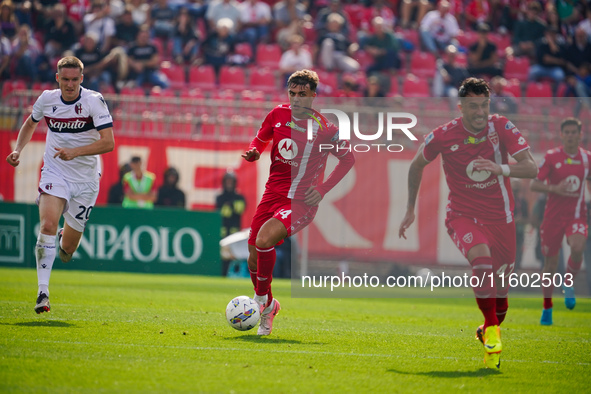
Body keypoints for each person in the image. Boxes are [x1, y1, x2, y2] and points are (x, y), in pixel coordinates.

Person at [398, 77, 538, 369]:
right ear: (460, 107)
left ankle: (489, 326)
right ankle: (490, 329)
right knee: (481, 260)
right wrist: (410, 208)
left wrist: (499, 168)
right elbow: (416, 164)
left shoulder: (501, 126)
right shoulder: (443, 135)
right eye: (473, 106)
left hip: (502, 220)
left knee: (501, 304)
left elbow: (531, 167)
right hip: (462, 215)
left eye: (484, 105)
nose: (479, 112)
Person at [242, 69, 355, 335]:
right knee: (253, 259)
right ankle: (270, 307)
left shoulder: (326, 129)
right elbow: (261, 137)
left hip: (301, 202)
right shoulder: (277, 114)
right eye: (292, 94)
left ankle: (260, 302)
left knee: (264, 239)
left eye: (302, 95)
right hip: (272, 194)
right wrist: (255, 151)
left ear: (314, 95)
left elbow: (348, 159)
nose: (296, 100)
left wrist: (324, 189)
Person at [5, 56, 115, 314]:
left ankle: (67, 238)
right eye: (65, 79)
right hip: (56, 171)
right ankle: (42, 293)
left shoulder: (93, 101)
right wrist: (18, 150)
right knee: (48, 225)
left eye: (74, 80)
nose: (69, 85)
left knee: (67, 250)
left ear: (82, 79)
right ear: (57, 78)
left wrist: (76, 152)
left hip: (86, 180)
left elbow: (108, 142)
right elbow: (30, 124)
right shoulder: (47, 99)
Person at [530, 117, 589, 325]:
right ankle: (547, 307)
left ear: (580, 135)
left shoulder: (586, 158)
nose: (571, 136)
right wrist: (554, 188)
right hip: (553, 217)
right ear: (562, 135)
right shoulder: (551, 157)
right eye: (568, 132)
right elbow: (534, 185)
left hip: (576, 214)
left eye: (575, 132)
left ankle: (569, 282)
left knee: (578, 246)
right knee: (550, 263)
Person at [215, 171, 246, 276]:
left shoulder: (240, 197)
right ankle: (222, 274)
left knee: (234, 256)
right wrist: (232, 207)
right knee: (222, 256)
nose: (229, 183)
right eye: (227, 181)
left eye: (231, 181)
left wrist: (230, 206)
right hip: (222, 232)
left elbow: (239, 209)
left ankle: (233, 275)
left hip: (235, 233)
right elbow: (224, 212)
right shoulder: (220, 197)